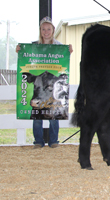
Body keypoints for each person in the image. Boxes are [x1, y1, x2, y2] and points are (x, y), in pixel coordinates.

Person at [16, 16, 73, 149]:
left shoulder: (59, 47)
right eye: (43, 29)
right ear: (40, 31)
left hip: (53, 87)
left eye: (48, 29)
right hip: (39, 85)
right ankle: (38, 141)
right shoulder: (33, 46)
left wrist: (68, 52)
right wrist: (19, 51)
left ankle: (54, 141)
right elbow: (25, 58)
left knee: (54, 113)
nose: (46, 32)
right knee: (37, 115)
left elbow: (63, 61)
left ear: (53, 30)